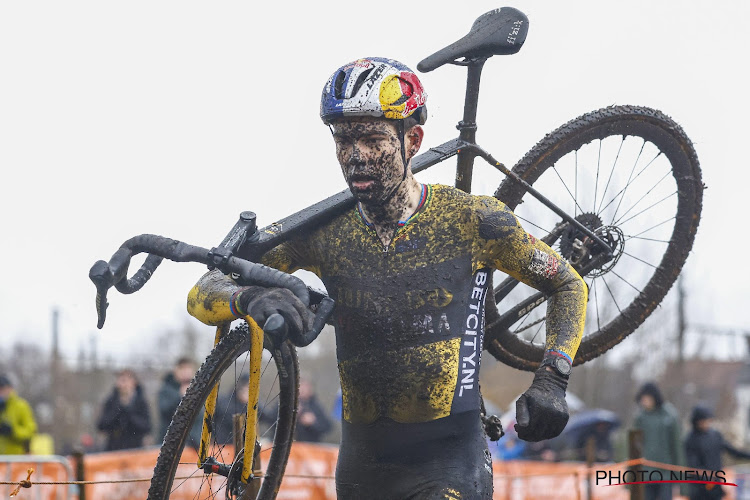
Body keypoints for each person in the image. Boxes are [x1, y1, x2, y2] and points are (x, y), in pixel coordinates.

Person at [186, 57, 587, 498]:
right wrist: (249, 298)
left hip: (450, 462)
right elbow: (204, 291)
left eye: (374, 139)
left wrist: (552, 377)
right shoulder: (323, 232)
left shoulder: (472, 220)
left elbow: (567, 283)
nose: (356, 155)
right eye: (344, 140)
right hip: (363, 466)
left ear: (412, 139)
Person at [685, 405, 750, 500]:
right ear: (696, 421)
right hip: (698, 487)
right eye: (703, 420)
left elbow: (733, 452)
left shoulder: (715, 435)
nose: (706, 423)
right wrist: (707, 476)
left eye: (708, 420)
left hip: (715, 485)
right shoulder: (690, 439)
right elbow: (692, 464)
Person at [633, 382, 684, 500]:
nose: (644, 402)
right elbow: (634, 448)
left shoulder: (669, 416)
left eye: (646, 398)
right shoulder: (640, 418)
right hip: (645, 474)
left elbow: (676, 447)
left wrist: (680, 479)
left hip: (665, 473)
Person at [97, 369, 152, 451]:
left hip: (135, 449)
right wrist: (118, 411)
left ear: (134, 382)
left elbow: (147, 426)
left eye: (125, 381)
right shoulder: (111, 401)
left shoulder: (141, 402)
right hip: (113, 448)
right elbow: (101, 425)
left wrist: (129, 414)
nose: (123, 385)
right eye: (121, 380)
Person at [157, 357, 202, 448]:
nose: (185, 372)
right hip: (172, 446)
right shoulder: (166, 390)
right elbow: (165, 412)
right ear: (175, 370)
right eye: (182, 368)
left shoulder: (200, 389)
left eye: (188, 368)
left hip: (196, 444)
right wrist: (180, 397)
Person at [0, 374, 37, 455]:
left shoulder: (21, 406)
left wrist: (13, 431)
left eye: (2, 389)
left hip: (18, 459)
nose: (1, 393)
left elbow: (31, 431)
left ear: (10, 388)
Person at [295, 379, 332, 443]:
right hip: (287, 446)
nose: (303, 389)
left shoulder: (315, 406)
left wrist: (313, 423)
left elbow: (328, 427)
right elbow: (272, 418)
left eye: (306, 386)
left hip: (310, 447)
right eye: (300, 386)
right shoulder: (287, 403)